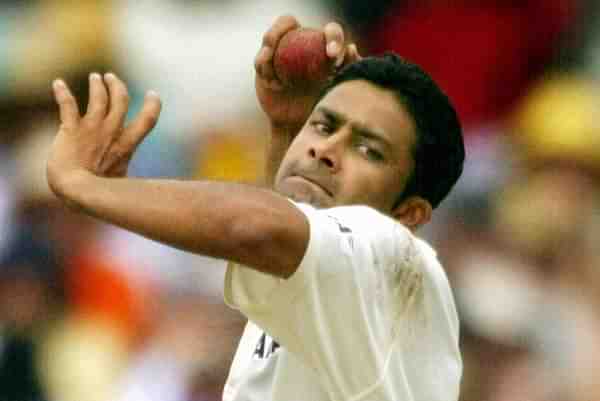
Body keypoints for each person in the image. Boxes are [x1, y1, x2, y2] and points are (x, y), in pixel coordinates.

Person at [46, 15, 464, 401]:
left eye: (369, 149)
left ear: (409, 214)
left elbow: (256, 228)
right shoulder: (319, 281)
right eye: (324, 125)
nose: (325, 150)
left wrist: (83, 186)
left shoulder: (394, 256)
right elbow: (287, 235)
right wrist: (288, 127)